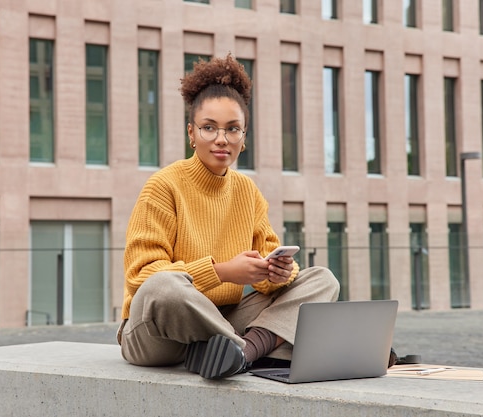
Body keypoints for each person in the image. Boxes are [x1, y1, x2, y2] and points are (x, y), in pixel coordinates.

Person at [117, 53, 340, 379]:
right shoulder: (163, 186)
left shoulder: (247, 192)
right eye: (209, 128)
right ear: (191, 133)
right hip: (156, 333)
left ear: (244, 137)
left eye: (233, 129)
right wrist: (222, 272)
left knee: (322, 280)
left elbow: (268, 271)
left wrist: (277, 273)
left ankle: (237, 354)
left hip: (217, 325)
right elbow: (142, 278)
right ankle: (253, 349)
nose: (221, 139)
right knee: (165, 286)